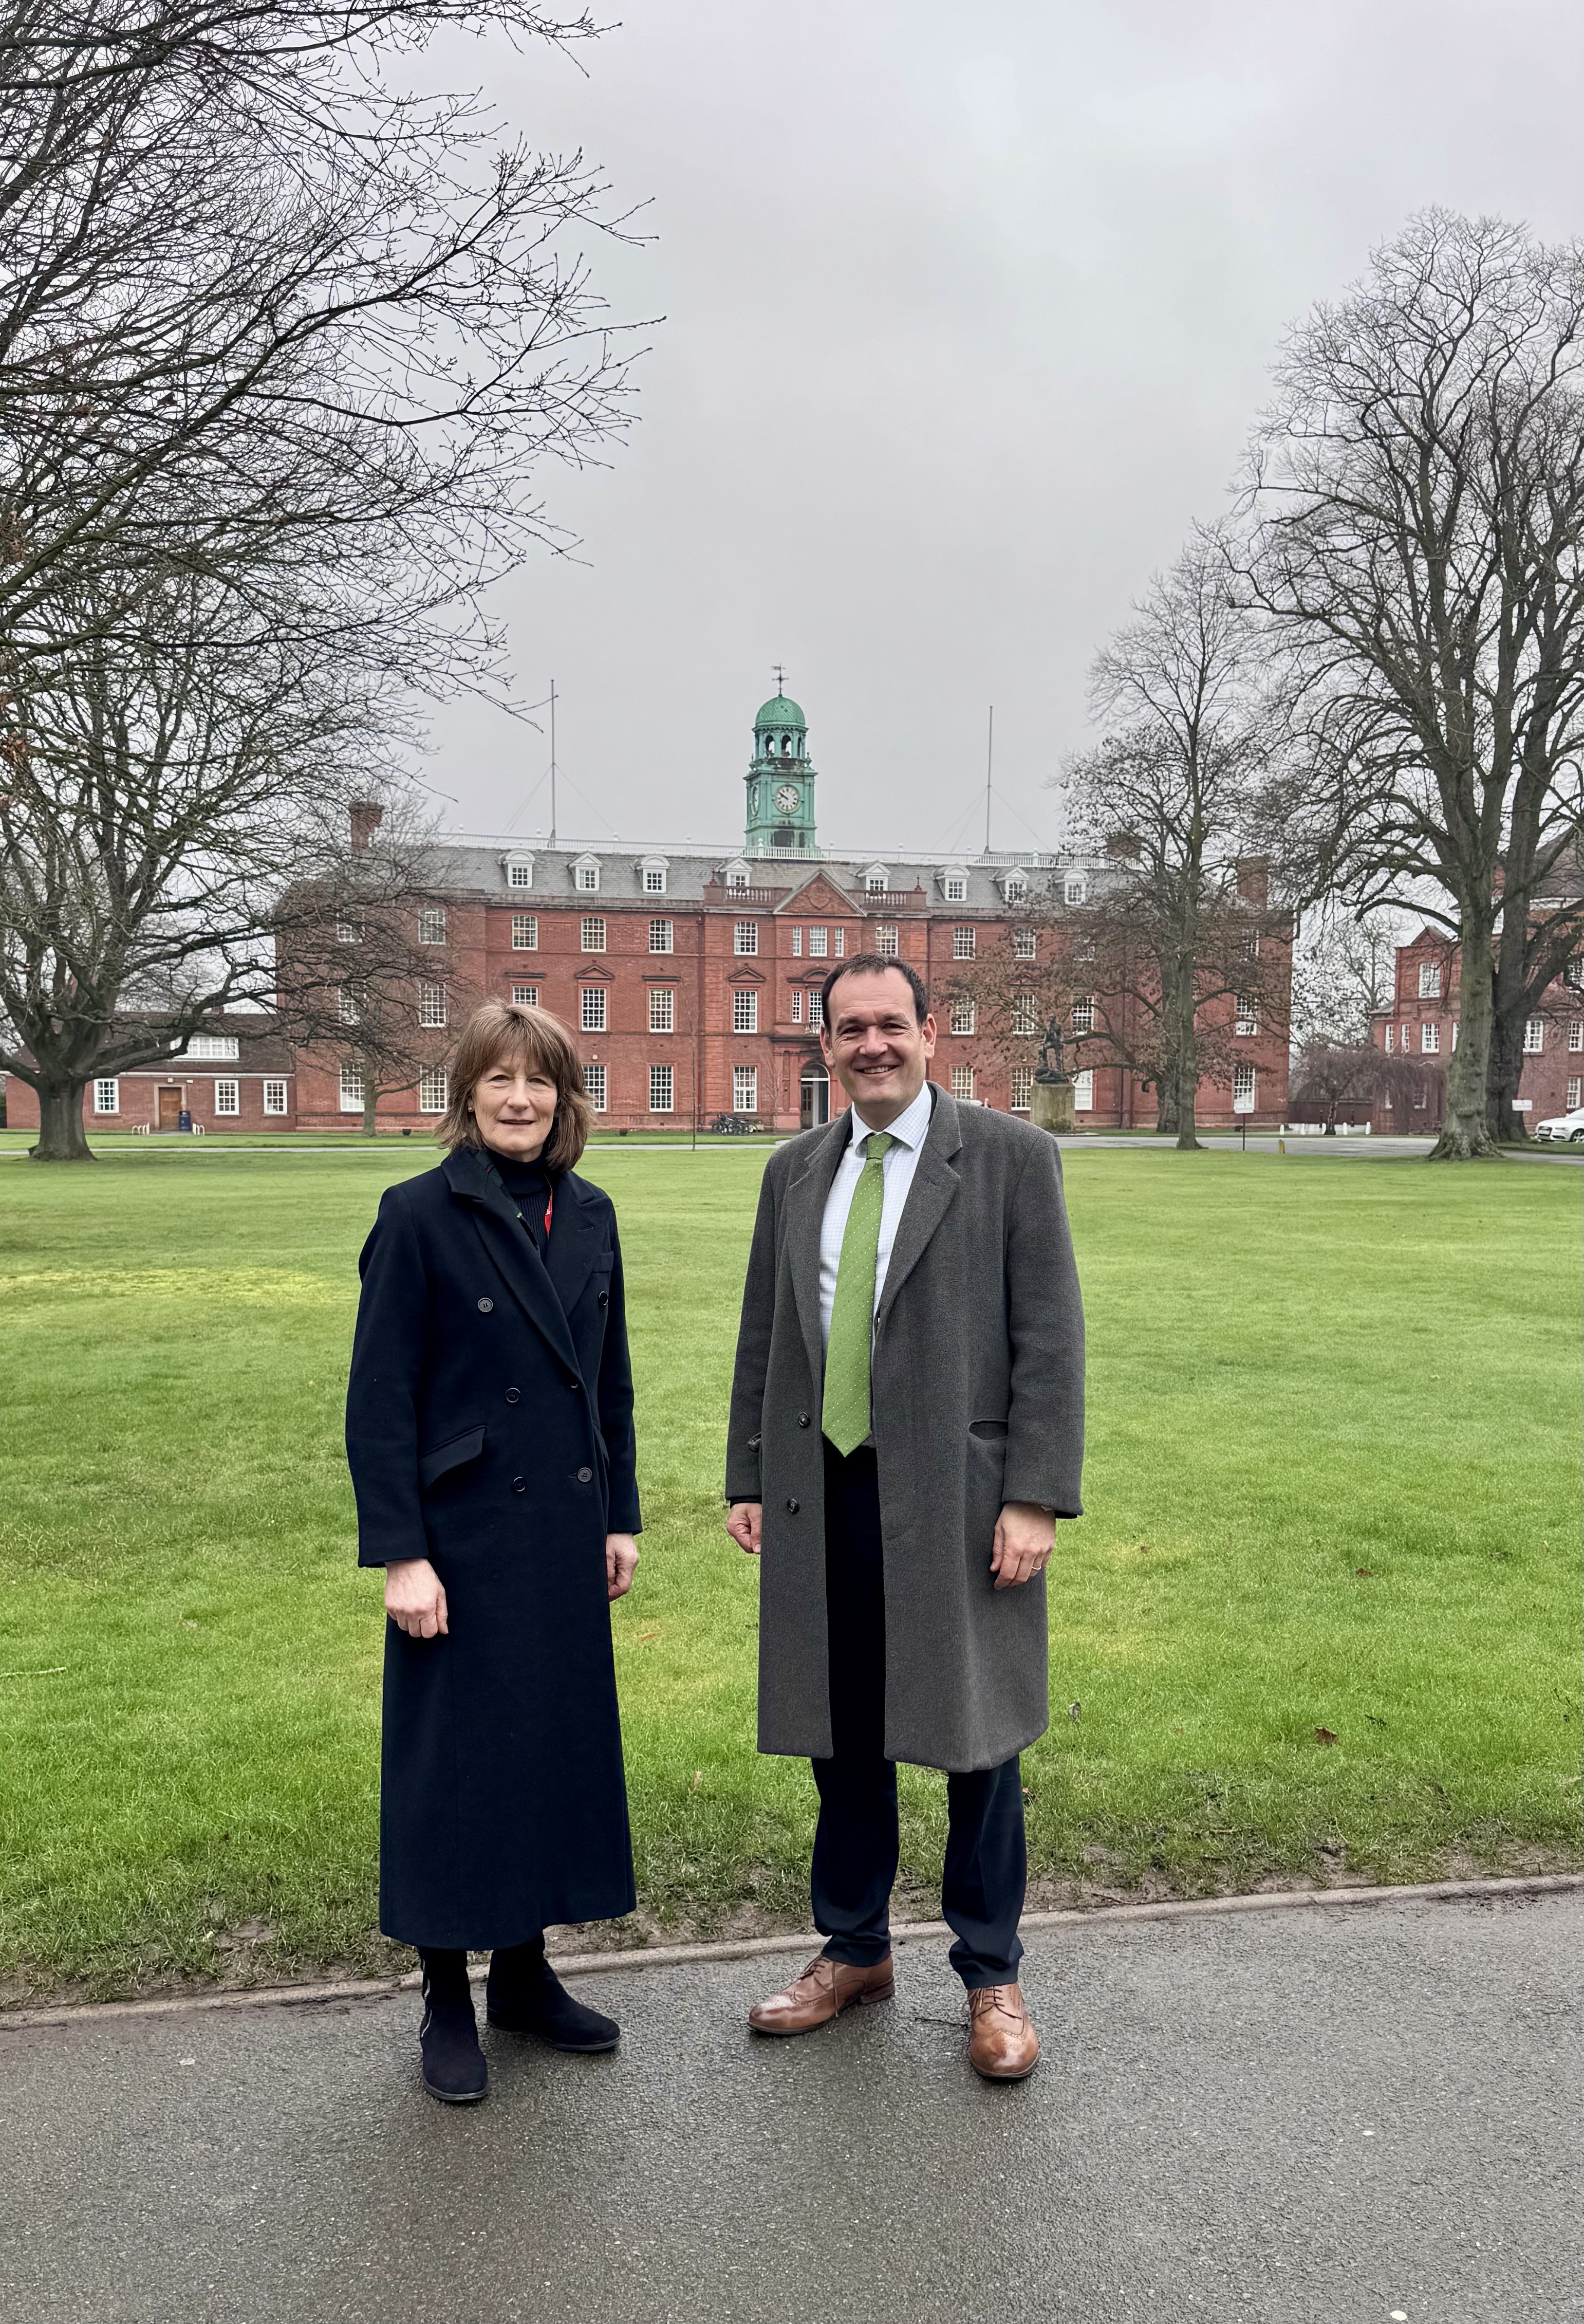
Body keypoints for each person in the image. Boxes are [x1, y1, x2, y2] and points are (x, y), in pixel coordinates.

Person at [725, 955, 1084, 2079]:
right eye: (848, 1028)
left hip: (962, 1493)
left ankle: (992, 1972)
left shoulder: (1011, 1157)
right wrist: (747, 1473)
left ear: (931, 1032)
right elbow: (763, 1334)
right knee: (842, 1730)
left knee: (977, 1737)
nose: (870, 1044)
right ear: (823, 1045)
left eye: (890, 1023)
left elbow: (1051, 1337)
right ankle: (854, 1946)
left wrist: (1035, 1492)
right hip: (824, 1483)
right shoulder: (794, 1170)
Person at [346, 1000, 640, 2104]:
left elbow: (607, 1378)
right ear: (464, 1091)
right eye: (499, 1077)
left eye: (542, 1080)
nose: (521, 1097)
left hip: (562, 1529)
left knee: (545, 1752)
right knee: (456, 1769)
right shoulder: (418, 1213)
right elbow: (380, 1401)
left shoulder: (594, 1210)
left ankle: (523, 1973)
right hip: (459, 1536)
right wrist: (400, 1555)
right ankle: (444, 1994)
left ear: (567, 1097)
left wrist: (620, 1514)